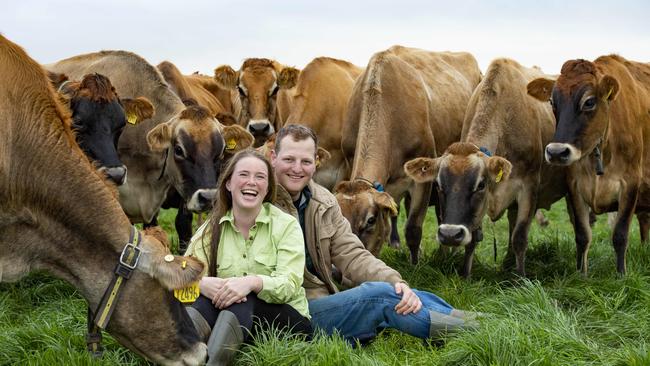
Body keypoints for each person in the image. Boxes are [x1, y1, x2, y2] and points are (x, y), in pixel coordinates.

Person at [269, 124, 479, 345]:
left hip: (323, 298)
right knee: (380, 296)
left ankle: (481, 323)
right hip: (292, 312)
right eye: (289, 159)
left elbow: (353, 253)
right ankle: (470, 334)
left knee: (400, 292)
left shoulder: (322, 200)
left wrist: (397, 282)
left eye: (306, 161)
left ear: (317, 162)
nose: (297, 168)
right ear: (273, 157)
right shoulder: (262, 201)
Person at [184, 149, 312, 366]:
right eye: (243, 175)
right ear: (228, 184)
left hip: (288, 322)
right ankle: (180, 358)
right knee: (201, 301)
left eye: (260, 177)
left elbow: (290, 284)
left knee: (243, 299)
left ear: (268, 187)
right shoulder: (210, 230)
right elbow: (180, 276)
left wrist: (252, 282)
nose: (251, 182)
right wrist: (200, 283)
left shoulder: (286, 225)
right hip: (236, 322)